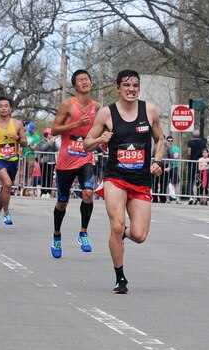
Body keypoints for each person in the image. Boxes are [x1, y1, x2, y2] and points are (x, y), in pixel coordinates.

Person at [83, 69, 165, 294]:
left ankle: (121, 235)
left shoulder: (149, 110)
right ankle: (120, 278)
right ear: (117, 88)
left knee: (139, 235)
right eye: (127, 85)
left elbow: (160, 139)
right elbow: (86, 143)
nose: (131, 89)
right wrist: (100, 138)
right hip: (115, 178)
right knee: (116, 226)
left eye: (135, 85)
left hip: (141, 180)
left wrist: (158, 161)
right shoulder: (106, 114)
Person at [49, 69, 100, 259]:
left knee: (88, 193)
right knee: (62, 202)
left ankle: (83, 232)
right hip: (66, 161)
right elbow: (54, 129)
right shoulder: (67, 105)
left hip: (86, 158)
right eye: (81, 80)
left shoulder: (98, 107)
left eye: (87, 79)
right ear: (75, 86)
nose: (85, 82)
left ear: (91, 83)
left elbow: (101, 130)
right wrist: (75, 124)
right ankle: (56, 235)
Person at [0, 97, 27, 228]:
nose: (3, 108)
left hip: (13, 160)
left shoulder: (18, 124)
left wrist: (18, 138)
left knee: (6, 188)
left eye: (6, 106)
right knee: (7, 184)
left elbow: (25, 143)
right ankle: (6, 213)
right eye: (0, 106)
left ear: (10, 108)